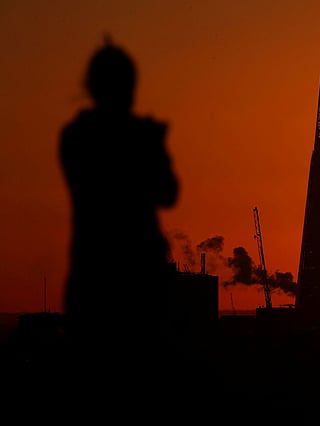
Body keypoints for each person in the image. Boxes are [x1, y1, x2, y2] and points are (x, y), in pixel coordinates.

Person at [59, 38, 180, 380]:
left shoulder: (74, 136)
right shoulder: (137, 139)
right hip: (137, 289)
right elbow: (167, 194)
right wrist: (153, 147)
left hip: (91, 285)